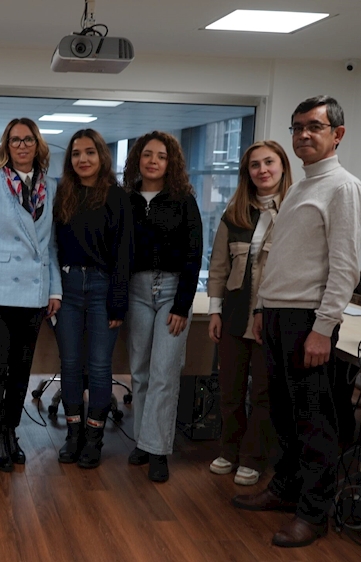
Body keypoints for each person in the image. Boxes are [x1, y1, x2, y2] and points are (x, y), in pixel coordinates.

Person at [232, 96, 361, 548]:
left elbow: (346, 267)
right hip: (276, 315)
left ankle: (313, 513)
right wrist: (261, 309)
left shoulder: (343, 187)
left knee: (314, 421)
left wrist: (323, 328)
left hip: (307, 319)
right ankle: (286, 488)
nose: (303, 134)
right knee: (285, 417)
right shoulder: (300, 187)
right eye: (297, 127)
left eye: (314, 126)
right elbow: (281, 258)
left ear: (337, 134)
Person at [0, 118, 61, 472]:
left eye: (28, 139)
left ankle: (11, 430)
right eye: (15, 140)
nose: (22, 146)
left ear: (38, 145)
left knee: (22, 371)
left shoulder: (49, 186)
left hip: (34, 294)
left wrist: (55, 288)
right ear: (7, 146)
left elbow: (50, 244)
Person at [207, 140, 292, 487]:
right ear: (247, 173)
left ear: (283, 166)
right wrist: (214, 311)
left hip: (272, 317)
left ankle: (253, 457)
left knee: (263, 393)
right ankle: (229, 450)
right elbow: (218, 267)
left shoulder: (294, 212)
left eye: (269, 162)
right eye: (255, 165)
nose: (262, 170)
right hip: (234, 314)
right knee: (230, 389)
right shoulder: (235, 214)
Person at [122, 131, 203, 483]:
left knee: (164, 373)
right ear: (137, 159)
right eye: (147, 155)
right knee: (139, 371)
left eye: (161, 156)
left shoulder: (184, 200)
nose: (153, 161)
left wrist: (183, 305)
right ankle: (143, 440)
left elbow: (194, 254)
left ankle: (158, 450)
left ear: (171, 163)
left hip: (172, 292)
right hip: (136, 291)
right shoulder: (126, 199)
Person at [53, 129, 133, 469]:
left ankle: (93, 437)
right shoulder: (63, 194)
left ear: (102, 156)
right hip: (67, 286)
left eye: (89, 152)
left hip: (103, 286)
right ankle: (73, 435)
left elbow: (125, 253)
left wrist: (118, 301)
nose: (82, 159)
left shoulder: (117, 196)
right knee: (70, 365)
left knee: (100, 367)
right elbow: (51, 247)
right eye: (76, 154)